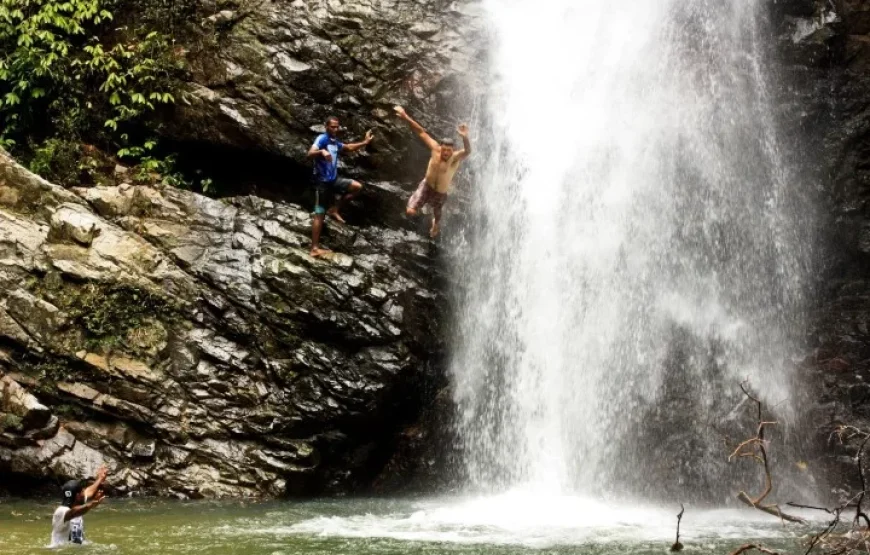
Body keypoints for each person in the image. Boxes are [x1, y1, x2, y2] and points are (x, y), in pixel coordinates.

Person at [394, 105, 471, 238]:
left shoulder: (454, 158)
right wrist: (405, 116)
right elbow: (420, 132)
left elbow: (468, 151)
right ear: (441, 147)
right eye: (444, 149)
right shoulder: (435, 149)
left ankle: (435, 224)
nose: (446, 152)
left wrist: (464, 137)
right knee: (410, 211)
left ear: (452, 150)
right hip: (426, 186)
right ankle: (421, 209)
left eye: (449, 150)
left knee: (437, 213)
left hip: (440, 193)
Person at [307, 116, 374, 257]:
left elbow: (348, 147)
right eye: (332, 126)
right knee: (319, 214)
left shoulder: (334, 142)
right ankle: (314, 248)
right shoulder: (322, 139)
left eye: (337, 127)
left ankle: (335, 209)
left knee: (357, 187)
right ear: (326, 127)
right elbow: (309, 153)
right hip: (322, 183)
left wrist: (365, 142)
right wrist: (321, 152)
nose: (335, 129)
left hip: (333, 180)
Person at [50, 465, 108, 547]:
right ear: (77, 496)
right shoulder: (60, 511)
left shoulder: (77, 501)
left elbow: (89, 491)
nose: (85, 493)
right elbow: (73, 513)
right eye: (82, 492)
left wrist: (100, 479)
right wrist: (90, 505)